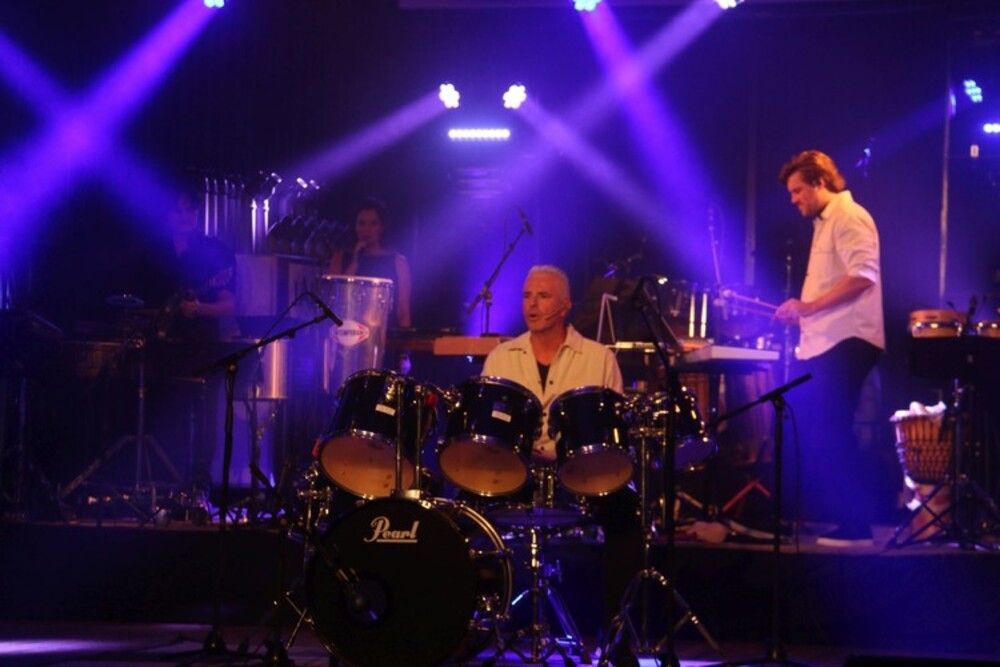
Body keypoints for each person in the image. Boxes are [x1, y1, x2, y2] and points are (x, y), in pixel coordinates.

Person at [482, 264, 642, 667]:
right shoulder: (501, 357)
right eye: (526, 296)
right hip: (516, 473)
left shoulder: (599, 357)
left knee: (626, 511)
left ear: (565, 306)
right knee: (465, 502)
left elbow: (613, 434)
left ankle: (617, 638)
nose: (531, 304)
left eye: (543, 296)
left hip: (580, 473)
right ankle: (472, 625)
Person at [774, 150, 885, 547]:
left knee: (834, 428)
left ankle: (857, 526)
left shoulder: (850, 216)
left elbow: (863, 276)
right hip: (827, 341)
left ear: (820, 182)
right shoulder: (826, 222)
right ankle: (836, 516)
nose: (793, 199)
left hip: (849, 339)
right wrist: (803, 314)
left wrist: (808, 308)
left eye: (798, 190)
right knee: (818, 427)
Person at [140, 187, 238, 493]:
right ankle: (159, 482)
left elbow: (228, 304)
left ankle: (197, 485)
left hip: (201, 346)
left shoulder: (216, 251)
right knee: (163, 412)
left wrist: (199, 309)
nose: (184, 216)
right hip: (159, 346)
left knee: (205, 416)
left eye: (190, 210)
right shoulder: (153, 251)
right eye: (178, 211)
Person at [328, 197, 412, 329]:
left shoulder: (398, 262)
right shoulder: (340, 257)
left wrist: (406, 339)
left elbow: (403, 311)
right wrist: (355, 262)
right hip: (347, 331)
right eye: (362, 223)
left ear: (382, 227)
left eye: (373, 224)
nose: (367, 230)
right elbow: (334, 299)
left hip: (385, 333)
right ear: (355, 226)